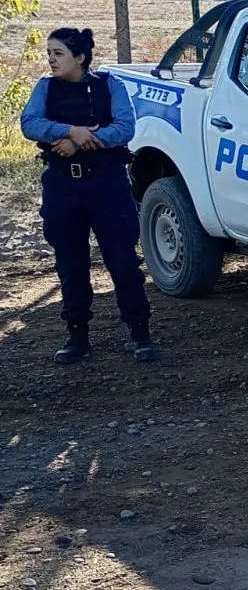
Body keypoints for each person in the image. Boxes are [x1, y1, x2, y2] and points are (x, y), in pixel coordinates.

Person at [20, 26, 158, 364]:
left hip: (106, 184)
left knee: (123, 262)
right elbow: (29, 123)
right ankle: (77, 336)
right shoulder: (45, 88)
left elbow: (125, 128)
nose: (50, 59)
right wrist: (70, 130)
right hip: (63, 185)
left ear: (79, 57)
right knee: (70, 263)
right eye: (49, 53)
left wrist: (78, 141)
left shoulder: (110, 86)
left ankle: (139, 332)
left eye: (58, 53)